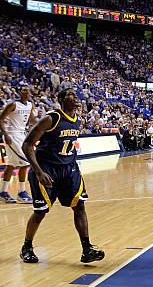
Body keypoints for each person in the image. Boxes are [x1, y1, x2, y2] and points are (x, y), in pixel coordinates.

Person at [19, 88, 104, 264]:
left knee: (79, 206)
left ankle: (87, 249)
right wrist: (38, 171)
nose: (75, 97)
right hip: (46, 169)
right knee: (40, 212)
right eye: (70, 95)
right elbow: (27, 145)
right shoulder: (52, 118)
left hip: (69, 169)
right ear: (61, 100)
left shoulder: (77, 120)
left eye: (75, 94)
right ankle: (26, 247)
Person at [0, 86, 35, 204]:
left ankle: (3, 192)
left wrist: (45, 127)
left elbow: (32, 120)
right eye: (23, 89)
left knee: (11, 164)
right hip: (11, 135)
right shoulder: (13, 105)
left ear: (30, 92)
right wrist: (5, 134)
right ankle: (21, 192)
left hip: (22, 134)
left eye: (27, 89)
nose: (25, 91)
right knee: (26, 162)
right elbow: (0, 119)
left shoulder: (30, 105)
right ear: (20, 92)